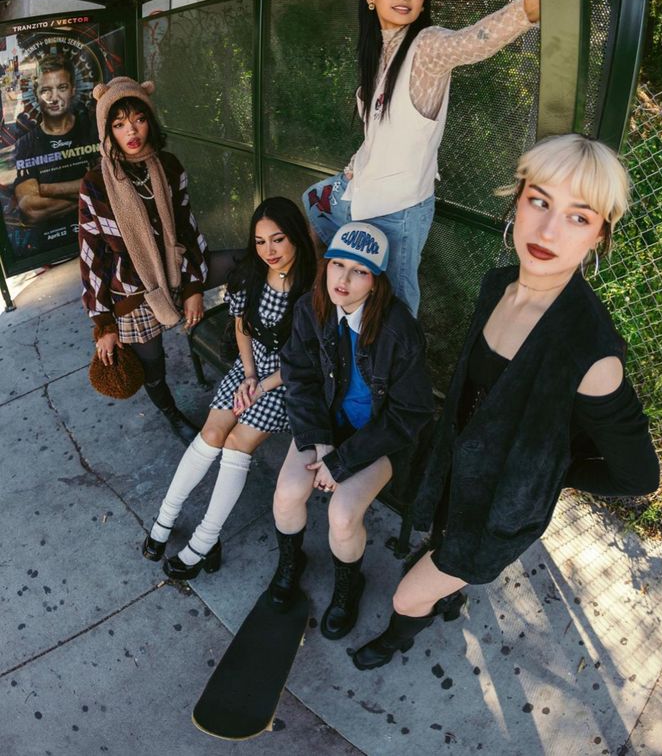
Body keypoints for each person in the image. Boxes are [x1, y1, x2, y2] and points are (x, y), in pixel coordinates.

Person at [351, 134, 660, 670]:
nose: (547, 231)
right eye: (539, 201)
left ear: (600, 237)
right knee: (439, 550)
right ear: (517, 200)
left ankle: (400, 634)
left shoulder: (590, 352)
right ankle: (449, 591)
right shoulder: (498, 285)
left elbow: (638, 476)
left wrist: (548, 474)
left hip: (498, 514)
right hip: (452, 480)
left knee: (407, 593)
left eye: (578, 217)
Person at [303, 0, 600, 316]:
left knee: (392, 304)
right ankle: (335, 301)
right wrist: (355, 166)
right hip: (359, 191)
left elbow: (473, 41)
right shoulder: (378, 50)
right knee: (314, 200)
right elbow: (379, 130)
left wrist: (532, 5)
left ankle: (392, 366)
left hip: (398, 209)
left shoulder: (426, 46)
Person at [269, 221, 434, 639]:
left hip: (378, 439)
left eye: (358, 271)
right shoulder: (311, 308)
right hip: (325, 424)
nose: (342, 279)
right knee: (288, 492)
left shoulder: (399, 330)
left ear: (376, 283)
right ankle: (292, 562)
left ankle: (348, 587)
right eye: (336, 264)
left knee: (343, 515)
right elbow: (300, 377)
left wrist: (341, 462)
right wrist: (321, 442)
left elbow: (409, 413)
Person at [141, 197, 317, 580]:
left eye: (278, 239)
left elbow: (306, 357)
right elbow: (242, 328)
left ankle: (205, 540)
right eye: (259, 241)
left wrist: (264, 384)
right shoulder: (250, 274)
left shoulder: (312, 288)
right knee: (212, 432)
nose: (268, 250)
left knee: (237, 443)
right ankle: (165, 517)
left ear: (297, 238)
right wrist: (249, 376)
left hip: (290, 379)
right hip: (251, 366)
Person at [78, 76, 242, 442]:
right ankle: (172, 415)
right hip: (133, 292)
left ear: (150, 119)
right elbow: (92, 256)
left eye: (138, 119)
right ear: (108, 131)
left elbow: (187, 227)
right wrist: (103, 325)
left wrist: (195, 286)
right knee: (153, 368)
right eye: (119, 125)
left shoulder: (167, 165)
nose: (131, 131)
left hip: (177, 271)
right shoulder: (95, 183)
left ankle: (239, 329)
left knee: (245, 262)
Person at [14, 55, 99, 224]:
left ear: (73, 89)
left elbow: (110, 183)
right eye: (46, 90)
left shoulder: (92, 128)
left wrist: (46, 189)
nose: (54, 98)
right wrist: (88, 194)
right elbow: (31, 209)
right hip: (52, 242)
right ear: (36, 94)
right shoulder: (26, 143)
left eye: (62, 87)